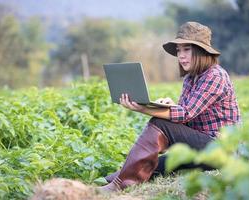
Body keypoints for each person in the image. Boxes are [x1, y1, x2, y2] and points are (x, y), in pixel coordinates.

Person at [99, 21, 241, 192]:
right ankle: (117, 177)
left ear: (202, 51)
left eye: (187, 49)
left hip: (221, 150)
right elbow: (186, 114)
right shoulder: (191, 78)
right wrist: (168, 106)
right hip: (201, 148)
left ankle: (119, 185)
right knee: (156, 165)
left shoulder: (215, 75)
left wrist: (143, 108)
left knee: (160, 123)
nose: (181, 55)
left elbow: (186, 113)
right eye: (179, 51)